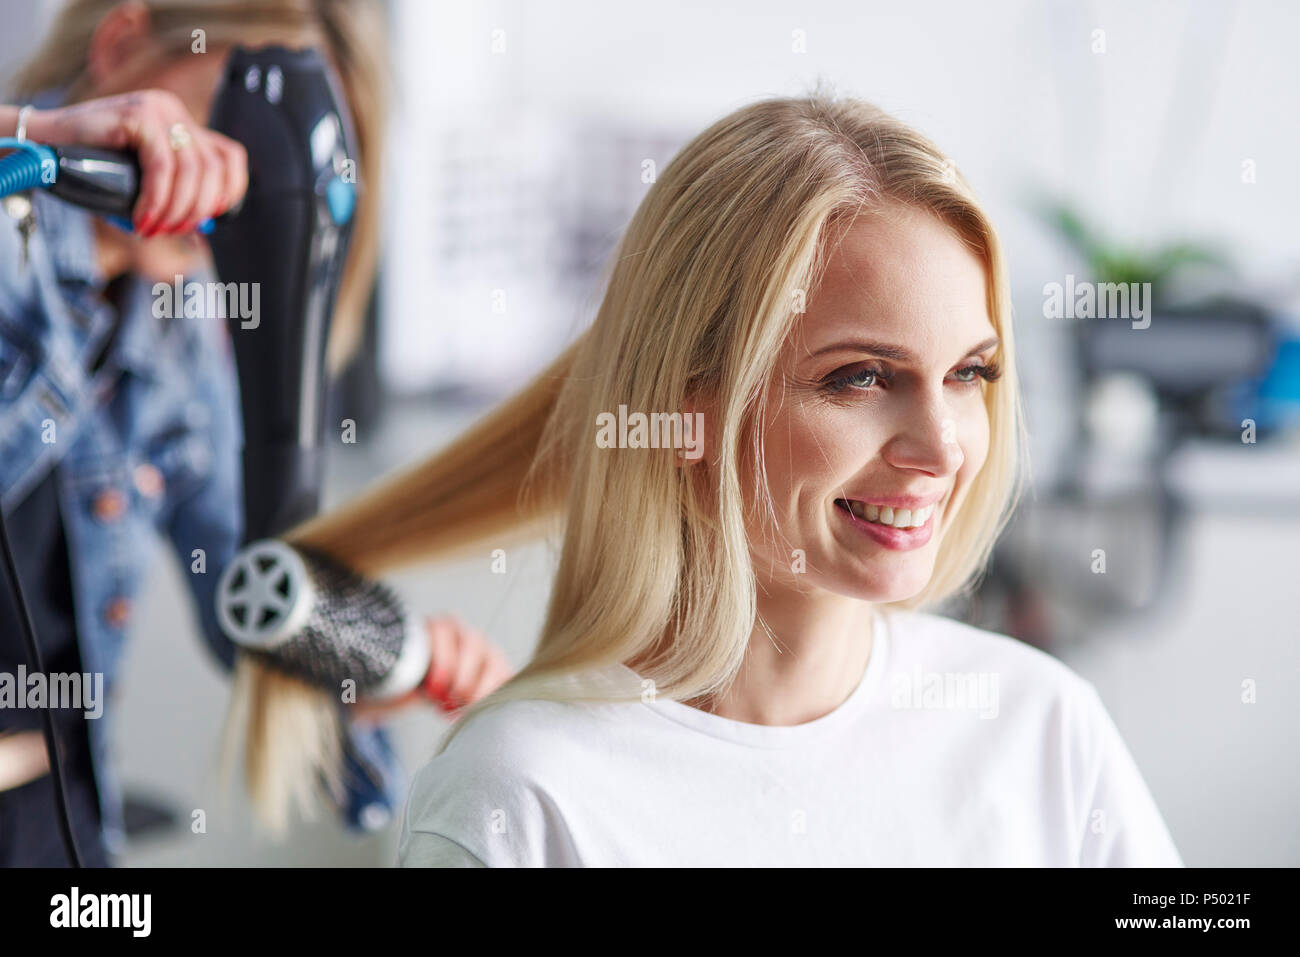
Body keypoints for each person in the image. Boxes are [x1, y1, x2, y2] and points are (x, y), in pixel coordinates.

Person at [271, 92, 1183, 866]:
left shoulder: (1043, 728)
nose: (942, 447)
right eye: (860, 378)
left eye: (970, 373)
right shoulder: (522, 799)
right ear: (685, 407)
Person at [0, 0, 509, 867]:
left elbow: (252, 587)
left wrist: (367, 665)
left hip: (58, 835)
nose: (233, 183)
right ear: (122, 42)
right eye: (218, 125)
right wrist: (34, 131)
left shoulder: (176, 341)